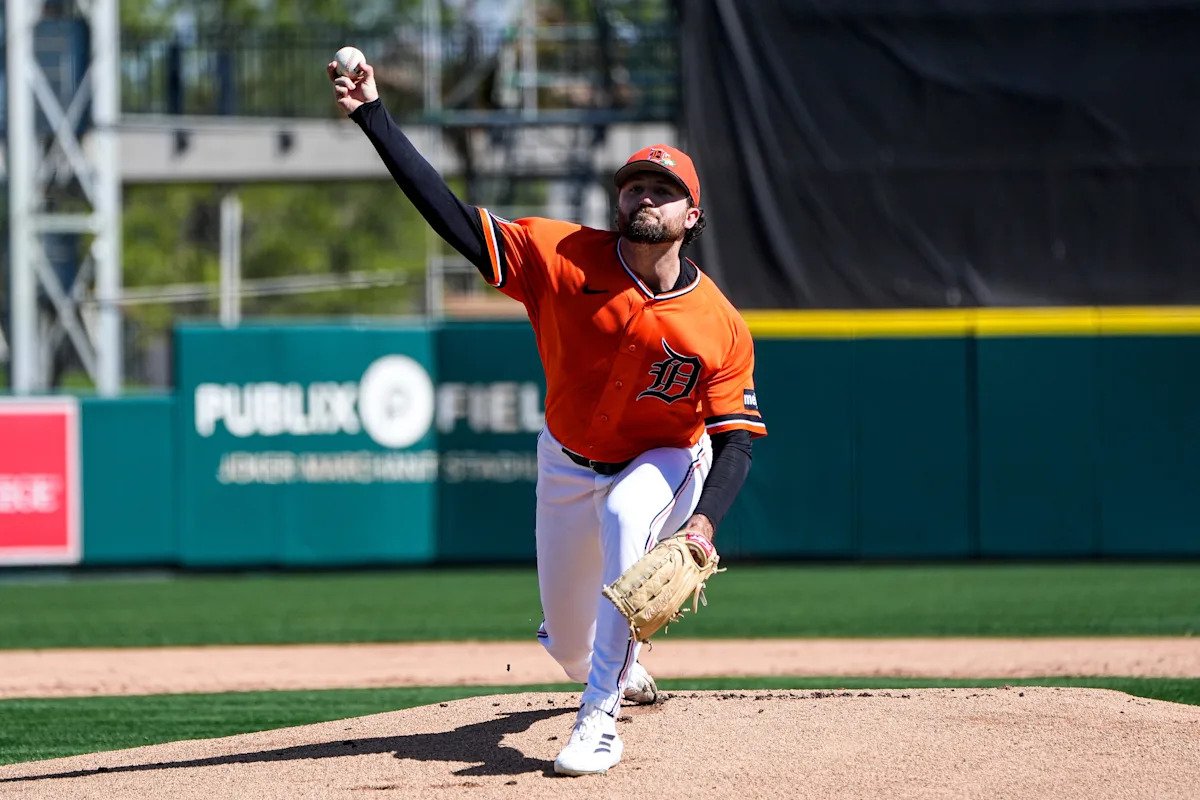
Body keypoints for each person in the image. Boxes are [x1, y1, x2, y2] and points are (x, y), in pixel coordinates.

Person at [329, 56, 766, 777]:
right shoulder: (559, 256)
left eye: (663, 189)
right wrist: (374, 115)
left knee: (629, 515)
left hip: (665, 456)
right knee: (569, 642)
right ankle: (604, 667)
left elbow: (737, 441)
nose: (644, 197)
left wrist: (703, 522)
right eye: (634, 187)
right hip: (565, 459)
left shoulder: (719, 323)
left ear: (692, 216)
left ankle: (598, 722)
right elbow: (451, 216)